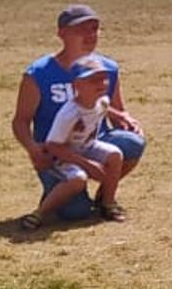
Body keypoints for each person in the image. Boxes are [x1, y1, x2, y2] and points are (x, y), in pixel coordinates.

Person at [11, 5, 146, 225]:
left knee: (133, 143)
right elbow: (20, 121)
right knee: (75, 212)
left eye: (94, 29)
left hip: (92, 141)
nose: (90, 35)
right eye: (81, 30)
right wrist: (32, 149)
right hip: (55, 152)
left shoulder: (107, 69)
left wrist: (126, 119)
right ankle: (57, 192)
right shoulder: (38, 73)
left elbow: (115, 109)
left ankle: (106, 199)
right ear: (61, 33)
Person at [23, 58, 129, 229]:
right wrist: (87, 165)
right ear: (76, 86)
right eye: (93, 80)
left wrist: (119, 116)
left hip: (86, 146)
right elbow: (53, 146)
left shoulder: (102, 101)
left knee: (115, 154)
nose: (101, 83)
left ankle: (108, 203)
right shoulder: (69, 114)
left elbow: (104, 107)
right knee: (78, 179)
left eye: (104, 78)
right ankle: (39, 213)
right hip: (62, 156)